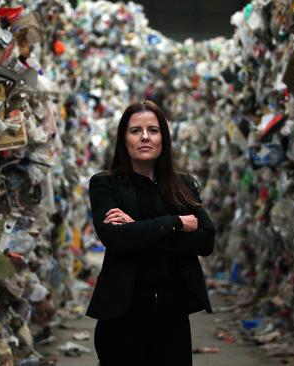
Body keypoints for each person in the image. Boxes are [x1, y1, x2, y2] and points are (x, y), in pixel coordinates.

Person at [86, 100, 215, 366]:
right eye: (135, 131)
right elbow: (114, 238)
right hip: (122, 316)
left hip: (173, 316)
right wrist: (176, 223)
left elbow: (206, 239)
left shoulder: (184, 185)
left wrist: (137, 229)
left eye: (153, 130)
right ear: (124, 139)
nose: (145, 137)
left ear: (163, 139)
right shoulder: (105, 184)